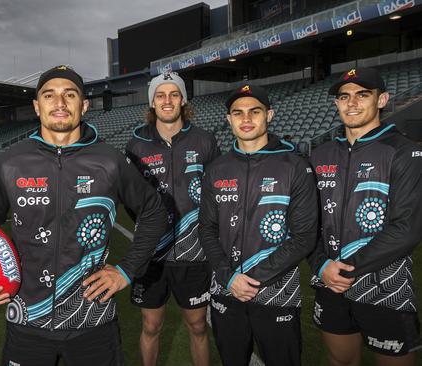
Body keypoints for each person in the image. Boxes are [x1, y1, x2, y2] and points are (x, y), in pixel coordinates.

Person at [0, 65, 167, 366]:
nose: (59, 103)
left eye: (69, 95)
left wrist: (125, 271)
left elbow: (154, 212)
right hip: (26, 320)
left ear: (83, 105)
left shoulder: (110, 161)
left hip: (92, 320)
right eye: (49, 95)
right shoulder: (10, 162)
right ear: (36, 106)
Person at [308, 67, 422, 366]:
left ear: (382, 99)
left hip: (386, 285)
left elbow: (407, 229)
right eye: (344, 97)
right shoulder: (320, 155)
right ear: (336, 103)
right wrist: (321, 265)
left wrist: (346, 269)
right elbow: (309, 223)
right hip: (329, 282)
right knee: (340, 360)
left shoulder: (404, 151)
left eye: (362, 95)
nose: (352, 103)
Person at [199, 84, 318, 365]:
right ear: (228, 119)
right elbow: (207, 228)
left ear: (269, 115)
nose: (246, 118)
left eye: (255, 111)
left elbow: (304, 237)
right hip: (226, 291)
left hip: (276, 293)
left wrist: (252, 279)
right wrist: (229, 277)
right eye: (238, 113)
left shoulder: (295, 166)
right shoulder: (216, 168)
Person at [125, 72, 218, 366]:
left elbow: (215, 194)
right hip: (151, 255)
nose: (167, 100)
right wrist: (150, 229)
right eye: (161, 95)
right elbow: (130, 200)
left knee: (198, 326)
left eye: (174, 94)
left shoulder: (204, 140)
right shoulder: (136, 143)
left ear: (183, 99)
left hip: (194, 255)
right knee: (151, 326)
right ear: (153, 102)